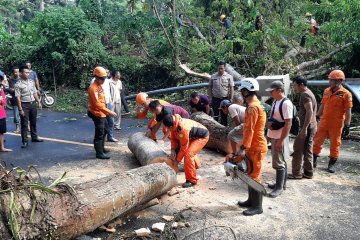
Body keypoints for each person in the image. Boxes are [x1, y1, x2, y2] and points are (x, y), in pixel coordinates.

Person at [228, 78, 267, 216]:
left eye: (242, 91)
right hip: (254, 145)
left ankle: (258, 206)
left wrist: (243, 148)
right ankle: (251, 200)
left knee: (254, 177)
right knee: (250, 174)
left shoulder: (252, 107)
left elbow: (249, 129)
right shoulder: (256, 104)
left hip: (255, 146)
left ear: (245, 91)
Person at [313, 70, 352, 173]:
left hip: (337, 124)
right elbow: (323, 104)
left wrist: (347, 125)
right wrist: (317, 115)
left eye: (332, 80)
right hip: (324, 121)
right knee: (317, 140)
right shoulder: (326, 91)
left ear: (338, 81)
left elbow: (348, 111)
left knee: (335, 144)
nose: (329, 81)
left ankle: (331, 164)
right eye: (329, 79)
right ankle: (313, 160)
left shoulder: (346, 94)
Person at [162, 114, 209, 188]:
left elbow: (184, 147)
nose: (167, 130)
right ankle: (195, 165)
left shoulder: (182, 129)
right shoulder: (174, 123)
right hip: (192, 135)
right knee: (189, 151)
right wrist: (173, 150)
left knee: (188, 154)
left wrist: (177, 160)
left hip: (202, 137)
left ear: (171, 127)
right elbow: (174, 139)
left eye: (168, 128)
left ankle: (192, 180)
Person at [266, 81, 293, 198]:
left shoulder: (286, 104)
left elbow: (288, 123)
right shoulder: (276, 101)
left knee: (279, 162)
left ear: (278, 90)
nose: (271, 93)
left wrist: (281, 140)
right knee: (279, 160)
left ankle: (279, 188)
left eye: (272, 91)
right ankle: (281, 183)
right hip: (274, 134)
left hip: (279, 136)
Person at [289, 76, 317, 179]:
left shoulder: (305, 95)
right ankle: (308, 172)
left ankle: (296, 173)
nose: (294, 88)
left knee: (298, 149)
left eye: (295, 85)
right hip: (311, 125)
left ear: (301, 84)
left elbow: (309, 111)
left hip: (307, 127)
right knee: (307, 149)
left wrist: (304, 128)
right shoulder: (309, 92)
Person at [88, 67, 117, 159]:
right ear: (96, 77)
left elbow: (102, 100)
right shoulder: (93, 88)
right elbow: (97, 104)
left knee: (105, 130)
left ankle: (102, 148)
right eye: (101, 78)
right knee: (100, 132)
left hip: (102, 113)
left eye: (104, 78)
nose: (103, 80)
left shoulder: (99, 85)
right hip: (97, 113)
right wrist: (110, 112)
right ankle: (99, 153)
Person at [15, 65, 43, 148]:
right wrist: (20, 109)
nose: (28, 74)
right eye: (26, 72)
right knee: (24, 124)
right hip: (24, 105)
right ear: (21, 73)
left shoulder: (31, 82)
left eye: (28, 72)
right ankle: (25, 141)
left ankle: (34, 137)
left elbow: (34, 92)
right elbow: (18, 98)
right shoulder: (18, 84)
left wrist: (38, 101)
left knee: (33, 122)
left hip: (32, 104)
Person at [208, 61, 234, 126]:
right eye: (219, 68)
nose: (220, 70)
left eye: (221, 68)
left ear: (224, 68)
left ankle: (224, 128)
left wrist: (231, 98)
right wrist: (210, 98)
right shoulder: (213, 76)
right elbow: (209, 87)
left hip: (225, 99)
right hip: (215, 99)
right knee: (216, 115)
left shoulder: (229, 76)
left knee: (224, 115)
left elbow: (231, 88)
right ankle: (215, 129)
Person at [0, 71, 12, 152]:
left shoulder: (1, 89)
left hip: (1, 113)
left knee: (1, 131)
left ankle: (1, 147)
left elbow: (4, 102)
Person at [7, 67, 21, 133]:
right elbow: (10, 90)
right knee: (16, 115)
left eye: (18, 72)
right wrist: (18, 89)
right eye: (15, 72)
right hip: (15, 100)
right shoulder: (11, 80)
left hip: (23, 99)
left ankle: (28, 126)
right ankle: (17, 128)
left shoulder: (22, 79)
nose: (17, 73)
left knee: (25, 114)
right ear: (13, 72)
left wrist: (15, 89)